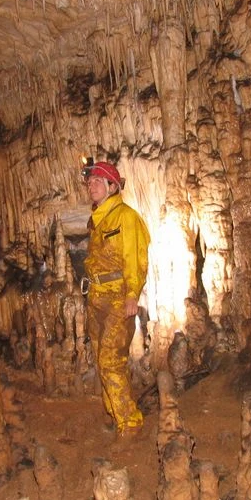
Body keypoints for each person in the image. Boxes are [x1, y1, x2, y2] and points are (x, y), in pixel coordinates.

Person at [81, 160, 150, 435]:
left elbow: (135, 258)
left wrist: (132, 294)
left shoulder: (125, 217)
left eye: (98, 181)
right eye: (90, 182)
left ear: (112, 186)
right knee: (101, 359)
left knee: (111, 359)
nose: (91, 185)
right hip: (96, 297)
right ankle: (114, 412)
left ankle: (130, 423)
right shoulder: (97, 220)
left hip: (118, 298)